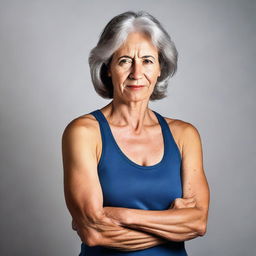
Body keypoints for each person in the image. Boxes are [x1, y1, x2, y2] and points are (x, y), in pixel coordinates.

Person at [61, 11, 210, 256]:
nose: (136, 73)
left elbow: (198, 222)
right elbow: (94, 233)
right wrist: (173, 222)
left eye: (148, 61)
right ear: (108, 67)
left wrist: (121, 214)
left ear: (161, 68)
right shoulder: (85, 132)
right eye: (125, 61)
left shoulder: (184, 135)